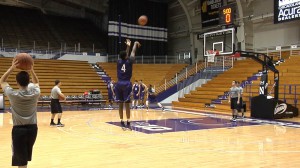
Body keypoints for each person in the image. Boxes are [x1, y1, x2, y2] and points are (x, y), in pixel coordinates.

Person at [0, 58, 40, 168]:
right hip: (33, 129)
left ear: (17, 82)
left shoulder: (13, 94)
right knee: (24, 159)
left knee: (20, 161)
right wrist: (32, 70)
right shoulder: (35, 93)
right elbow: (36, 82)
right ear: (29, 82)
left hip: (19, 130)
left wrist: (12, 68)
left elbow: (2, 81)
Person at [115, 39, 140, 129]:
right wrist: (134, 44)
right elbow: (132, 52)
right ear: (126, 56)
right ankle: (128, 122)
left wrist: (128, 46)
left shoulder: (118, 62)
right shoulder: (130, 61)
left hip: (118, 84)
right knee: (127, 104)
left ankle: (122, 121)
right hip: (126, 84)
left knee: (121, 104)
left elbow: (125, 54)